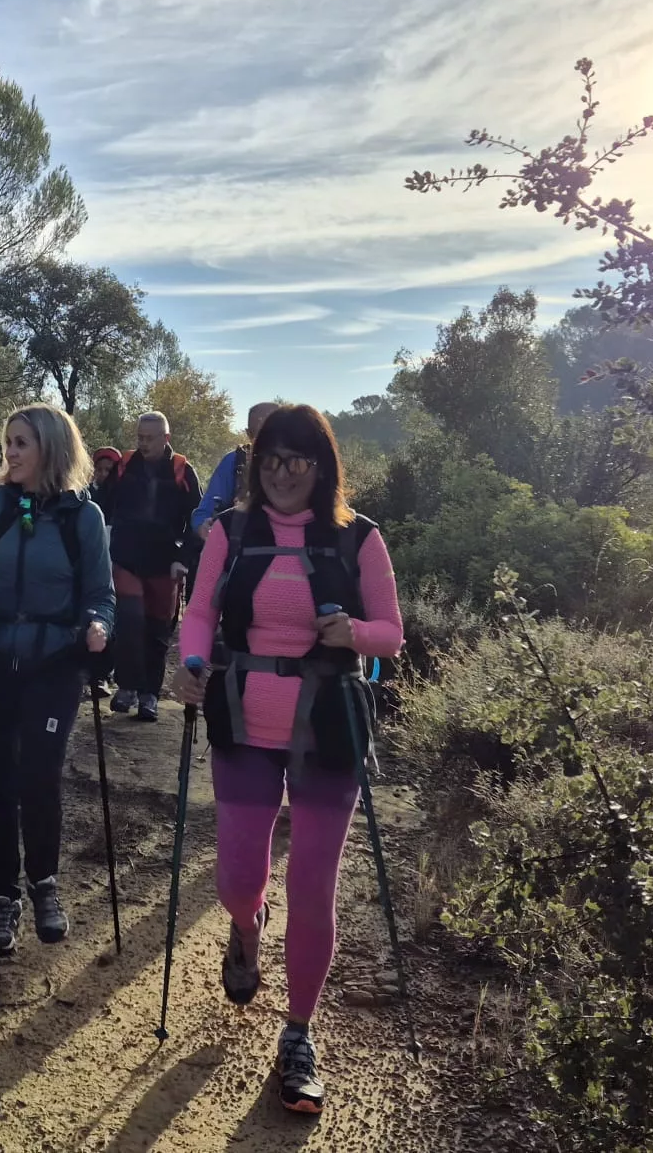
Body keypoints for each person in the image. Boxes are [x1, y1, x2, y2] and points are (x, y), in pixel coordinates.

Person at [174, 404, 403, 1116]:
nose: (282, 473)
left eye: (298, 460)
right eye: (271, 459)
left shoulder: (360, 538)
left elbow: (391, 634)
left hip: (329, 728)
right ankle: (247, 929)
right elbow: (201, 613)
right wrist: (188, 660)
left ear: (322, 464)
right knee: (239, 879)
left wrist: (353, 631)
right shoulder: (230, 533)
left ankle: (298, 1035)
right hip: (242, 721)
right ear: (255, 462)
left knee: (313, 887)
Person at [0, 403, 114, 957]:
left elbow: (100, 594)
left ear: (51, 448)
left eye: (20, 443)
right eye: (7, 442)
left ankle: (43, 885)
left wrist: (98, 624)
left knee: (39, 773)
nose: (8, 453)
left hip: (53, 662)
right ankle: (4, 898)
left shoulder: (83, 519)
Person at [106, 411, 200, 720]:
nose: (143, 444)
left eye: (150, 438)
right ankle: (127, 687)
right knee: (130, 621)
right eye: (139, 438)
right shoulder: (124, 467)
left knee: (158, 632)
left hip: (165, 566)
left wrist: (182, 559)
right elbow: (101, 506)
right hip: (127, 560)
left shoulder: (183, 472)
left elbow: (197, 522)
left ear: (166, 438)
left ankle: (149, 695)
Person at [191, 402, 279, 537]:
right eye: (260, 434)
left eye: (275, 432)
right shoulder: (233, 462)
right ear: (249, 434)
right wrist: (204, 527)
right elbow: (203, 514)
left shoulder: (303, 464)